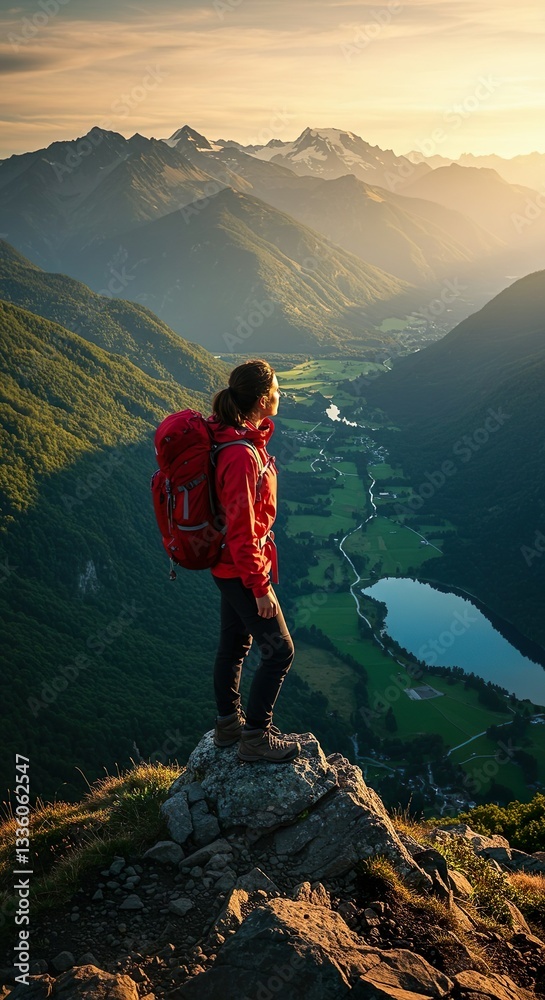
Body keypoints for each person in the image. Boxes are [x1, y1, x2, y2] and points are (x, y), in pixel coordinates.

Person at [208, 359, 301, 763]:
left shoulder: (231, 437)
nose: (282, 396)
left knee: (234, 645)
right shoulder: (242, 455)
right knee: (280, 651)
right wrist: (260, 588)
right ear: (263, 400)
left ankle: (229, 728)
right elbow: (243, 530)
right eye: (277, 390)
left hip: (227, 566)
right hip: (241, 567)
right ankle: (255, 739)